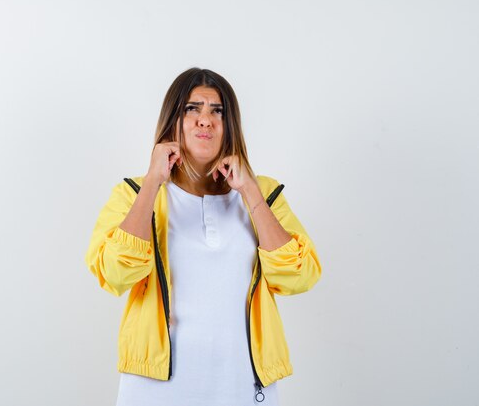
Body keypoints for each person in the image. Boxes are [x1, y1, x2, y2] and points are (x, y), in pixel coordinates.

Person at [84, 68, 322, 406]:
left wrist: (250, 192)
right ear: (173, 121)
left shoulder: (264, 194)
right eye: (192, 109)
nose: (205, 120)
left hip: (243, 385)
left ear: (230, 126)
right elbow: (115, 274)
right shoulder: (134, 194)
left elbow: (300, 276)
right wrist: (152, 182)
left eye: (217, 111)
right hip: (155, 389)